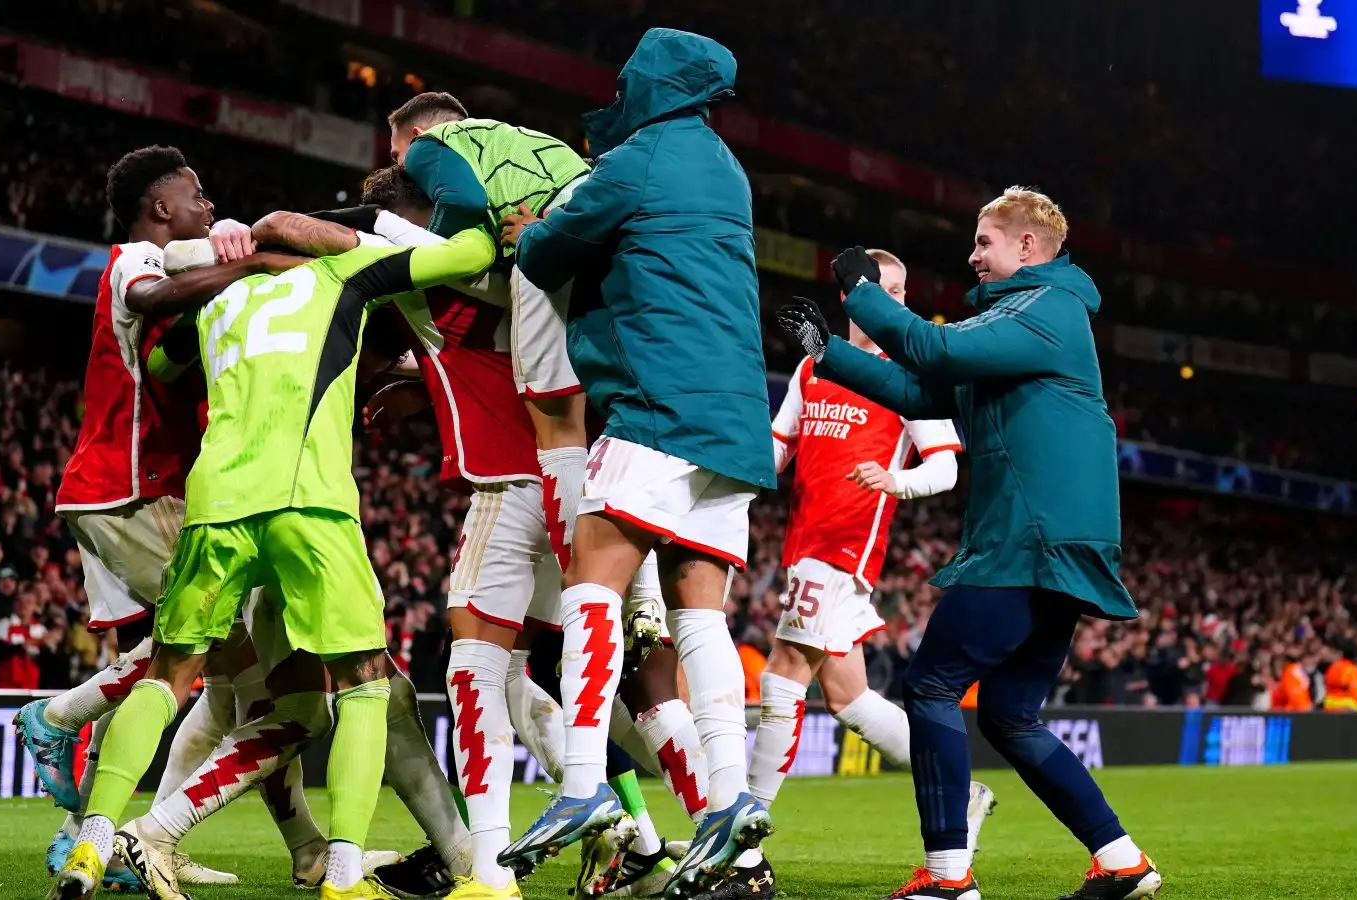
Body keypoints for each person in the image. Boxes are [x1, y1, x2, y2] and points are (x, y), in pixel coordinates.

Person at [46, 210, 498, 900]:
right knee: (364, 685)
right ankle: (343, 876)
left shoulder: (218, 296)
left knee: (166, 679)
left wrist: (239, 266)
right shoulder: (346, 272)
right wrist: (364, 225)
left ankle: (96, 840)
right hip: (309, 505)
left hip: (216, 502)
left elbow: (165, 363)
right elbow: (470, 253)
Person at [777, 187, 1160, 900]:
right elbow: (926, 393)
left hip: (1028, 537)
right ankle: (1122, 861)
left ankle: (949, 877)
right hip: (1053, 543)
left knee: (930, 685)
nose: (972, 255)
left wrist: (862, 294)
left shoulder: (1046, 309)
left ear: (1027, 247)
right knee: (1011, 715)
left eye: (985, 242)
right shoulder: (1024, 321)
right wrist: (826, 353)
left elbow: (934, 349)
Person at [497, 28, 775, 900]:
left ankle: (581, 786)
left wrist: (533, 227)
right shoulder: (725, 165)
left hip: (661, 400)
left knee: (590, 579)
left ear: (654, 85)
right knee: (702, 612)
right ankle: (731, 803)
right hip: (736, 419)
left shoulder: (642, 158)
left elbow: (544, 255)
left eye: (628, 79)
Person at [353, 167, 683, 899]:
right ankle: (638, 841)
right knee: (518, 674)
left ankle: (487, 868)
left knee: (472, 665)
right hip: (581, 475)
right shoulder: (525, 260)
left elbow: (342, 247)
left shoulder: (435, 258)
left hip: (515, 477)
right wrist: (420, 376)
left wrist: (262, 227)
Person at [20, 144, 320, 890]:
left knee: (219, 678)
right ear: (161, 208)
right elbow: (153, 300)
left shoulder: (187, 283)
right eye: (197, 196)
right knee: (214, 661)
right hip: (128, 491)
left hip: (148, 491)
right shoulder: (132, 260)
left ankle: (117, 835)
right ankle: (61, 719)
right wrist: (253, 265)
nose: (208, 207)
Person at [744, 251, 994, 891]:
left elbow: (945, 467)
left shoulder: (911, 373)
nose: (896, 302)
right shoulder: (813, 365)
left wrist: (894, 480)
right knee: (849, 700)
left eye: (902, 291)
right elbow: (775, 454)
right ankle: (960, 794)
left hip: (844, 548)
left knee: (781, 678)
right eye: (884, 289)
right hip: (804, 543)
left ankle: (743, 833)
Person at [386, 92, 592, 585]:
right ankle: (640, 596)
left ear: (415, 137)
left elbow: (464, 202)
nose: (401, 166)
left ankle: (583, 570)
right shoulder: (507, 140)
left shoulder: (433, 144)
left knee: (554, 421)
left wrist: (434, 254)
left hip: (554, 234)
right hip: (594, 220)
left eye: (396, 155)